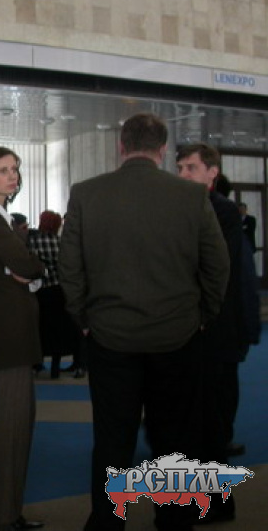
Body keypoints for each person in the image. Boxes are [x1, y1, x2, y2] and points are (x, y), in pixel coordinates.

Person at [59, 113, 229, 531]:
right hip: (177, 336)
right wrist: (203, 316)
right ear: (163, 149)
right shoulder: (191, 196)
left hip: (109, 337)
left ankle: (107, 521)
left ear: (121, 145)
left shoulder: (86, 194)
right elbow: (217, 266)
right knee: (174, 439)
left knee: (112, 440)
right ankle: (173, 521)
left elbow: (70, 267)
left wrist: (83, 318)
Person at [176, 143, 259, 524]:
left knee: (211, 422)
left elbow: (211, 268)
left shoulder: (220, 210)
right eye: (180, 167)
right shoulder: (195, 206)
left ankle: (217, 503)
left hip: (216, 330)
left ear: (213, 172)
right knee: (201, 420)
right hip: (203, 330)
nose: (183, 174)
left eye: (191, 167)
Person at [0, 147, 46, 531]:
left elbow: (24, 270)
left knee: (14, 423)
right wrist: (31, 271)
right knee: (14, 425)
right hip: (9, 332)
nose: (12, 175)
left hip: (13, 329)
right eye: (3, 170)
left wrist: (26, 274)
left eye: (15, 169)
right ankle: (5, 514)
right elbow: (29, 264)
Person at [27, 210, 76, 379]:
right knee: (57, 329)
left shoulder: (32, 242)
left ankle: (37, 364)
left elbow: (30, 264)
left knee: (40, 327)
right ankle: (55, 368)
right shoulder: (61, 243)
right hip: (57, 290)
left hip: (39, 290)